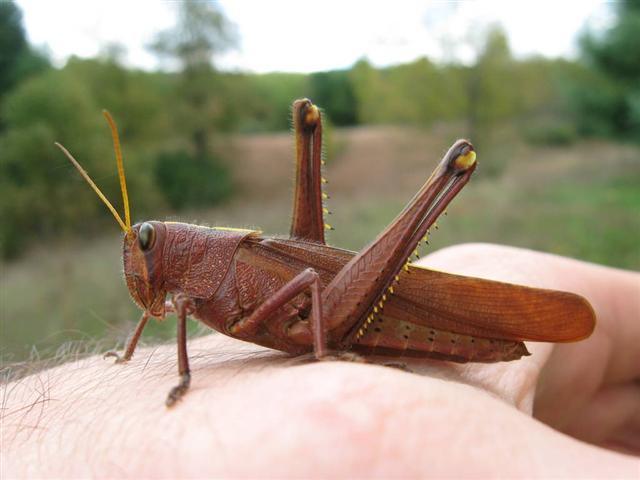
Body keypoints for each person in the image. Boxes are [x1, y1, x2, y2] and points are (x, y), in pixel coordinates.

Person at [2, 244, 638, 478]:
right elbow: (173, 308)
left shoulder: (217, 268)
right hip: (320, 312)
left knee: (307, 275)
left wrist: (325, 349)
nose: (139, 258)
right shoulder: (190, 291)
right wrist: (125, 360)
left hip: (338, 314)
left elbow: (308, 279)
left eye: (144, 242)